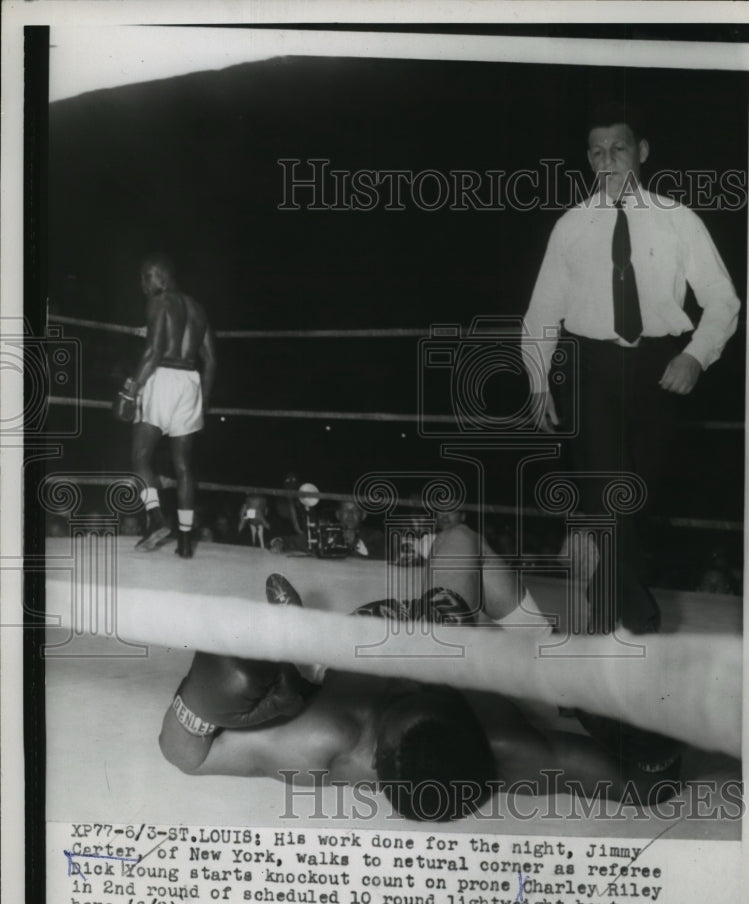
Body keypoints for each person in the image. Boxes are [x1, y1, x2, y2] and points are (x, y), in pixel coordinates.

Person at [158, 570, 676, 818]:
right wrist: (636, 722)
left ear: (375, 754)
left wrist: (205, 698)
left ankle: (294, 640)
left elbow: (185, 755)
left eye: (405, 697)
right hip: (457, 645)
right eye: (430, 690)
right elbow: (643, 787)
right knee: (457, 551)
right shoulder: (511, 748)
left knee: (269, 677)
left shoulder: (322, 742)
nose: (413, 678)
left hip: (344, 656)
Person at [522, 104, 740, 635]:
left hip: (658, 366)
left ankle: (602, 610)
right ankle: (636, 622)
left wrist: (694, 355)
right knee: (608, 492)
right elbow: (542, 313)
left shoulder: (678, 219)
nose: (607, 160)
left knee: (635, 499)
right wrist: (536, 380)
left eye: (618, 148)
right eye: (596, 152)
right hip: (590, 368)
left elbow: (724, 301)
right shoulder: (571, 226)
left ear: (641, 152)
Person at [124, 254, 218, 558]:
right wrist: (201, 403)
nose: (142, 284)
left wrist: (130, 388)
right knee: (183, 466)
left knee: (140, 456)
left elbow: (154, 352)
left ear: (159, 276)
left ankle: (155, 518)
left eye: (145, 276)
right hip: (190, 383)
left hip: (162, 378)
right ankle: (186, 541)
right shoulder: (198, 309)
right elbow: (212, 362)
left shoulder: (160, 301)